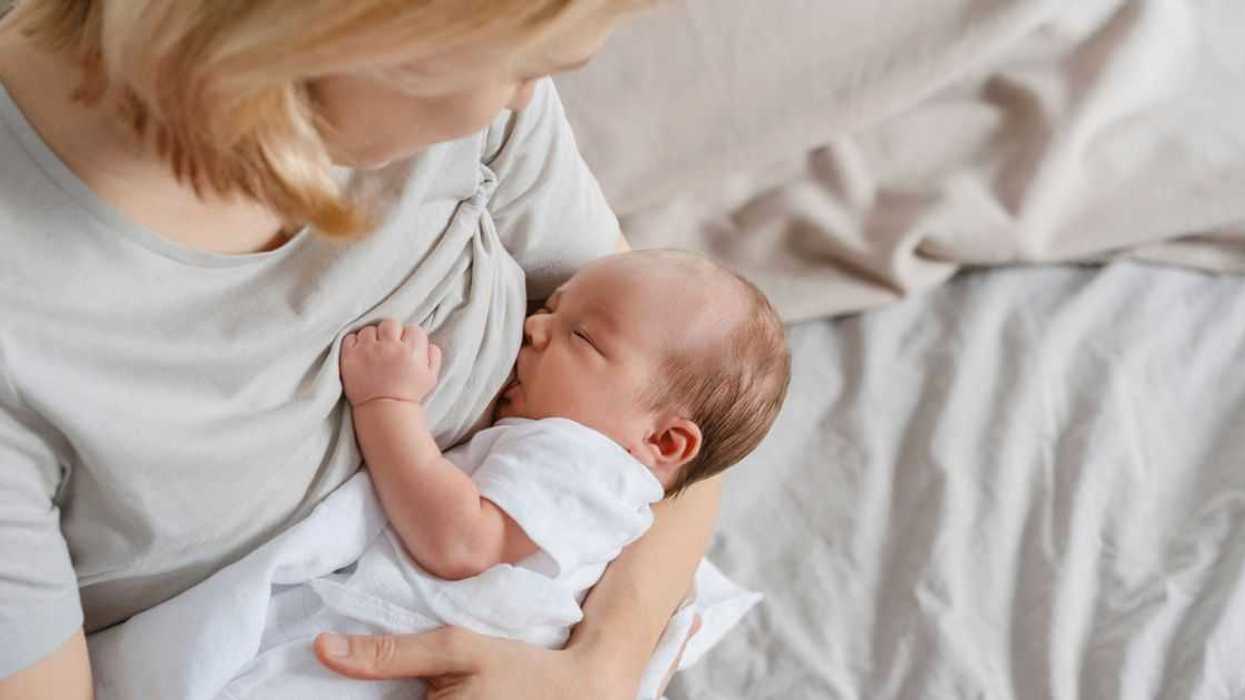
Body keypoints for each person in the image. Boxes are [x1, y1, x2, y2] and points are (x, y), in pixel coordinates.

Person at [0, 1, 730, 698]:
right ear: (359, 30)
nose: (526, 96)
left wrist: (603, 669)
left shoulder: (467, 113)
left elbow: (683, 405)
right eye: (523, 66)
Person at [87, 250, 791, 699]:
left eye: (581, 335)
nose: (534, 328)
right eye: (551, 307)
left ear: (664, 440)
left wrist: (389, 407)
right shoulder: (600, 455)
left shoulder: (591, 463)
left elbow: (461, 542)